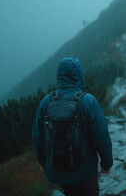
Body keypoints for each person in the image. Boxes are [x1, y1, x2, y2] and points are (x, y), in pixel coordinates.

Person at [32, 58, 113, 196]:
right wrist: (106, 163)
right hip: (85, 170)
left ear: (59, 75)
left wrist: (43, 162)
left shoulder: (46, 101)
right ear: (79, 75)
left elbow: (38, 136)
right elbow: (101, 137)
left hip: (59, 168)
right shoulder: (88, 101)